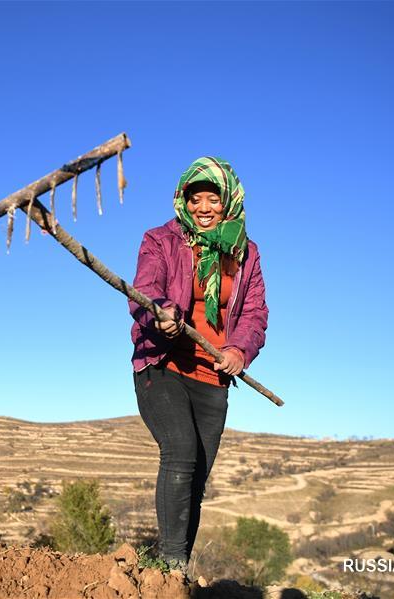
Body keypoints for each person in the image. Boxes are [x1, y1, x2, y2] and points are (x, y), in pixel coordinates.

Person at [128, 156, 268, 572]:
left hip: (214, 374)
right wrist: (162, 313)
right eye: (195, 198)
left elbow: (255, 313)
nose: (203, 208)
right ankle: (170, 568)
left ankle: (178, 571)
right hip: (163, 363)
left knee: (197, 478)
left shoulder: (246, 252)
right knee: (181, 451)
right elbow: (146, 289)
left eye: (213, 199)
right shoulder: (160, 240)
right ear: (182, 200)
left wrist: (239, 351)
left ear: (229, 202)